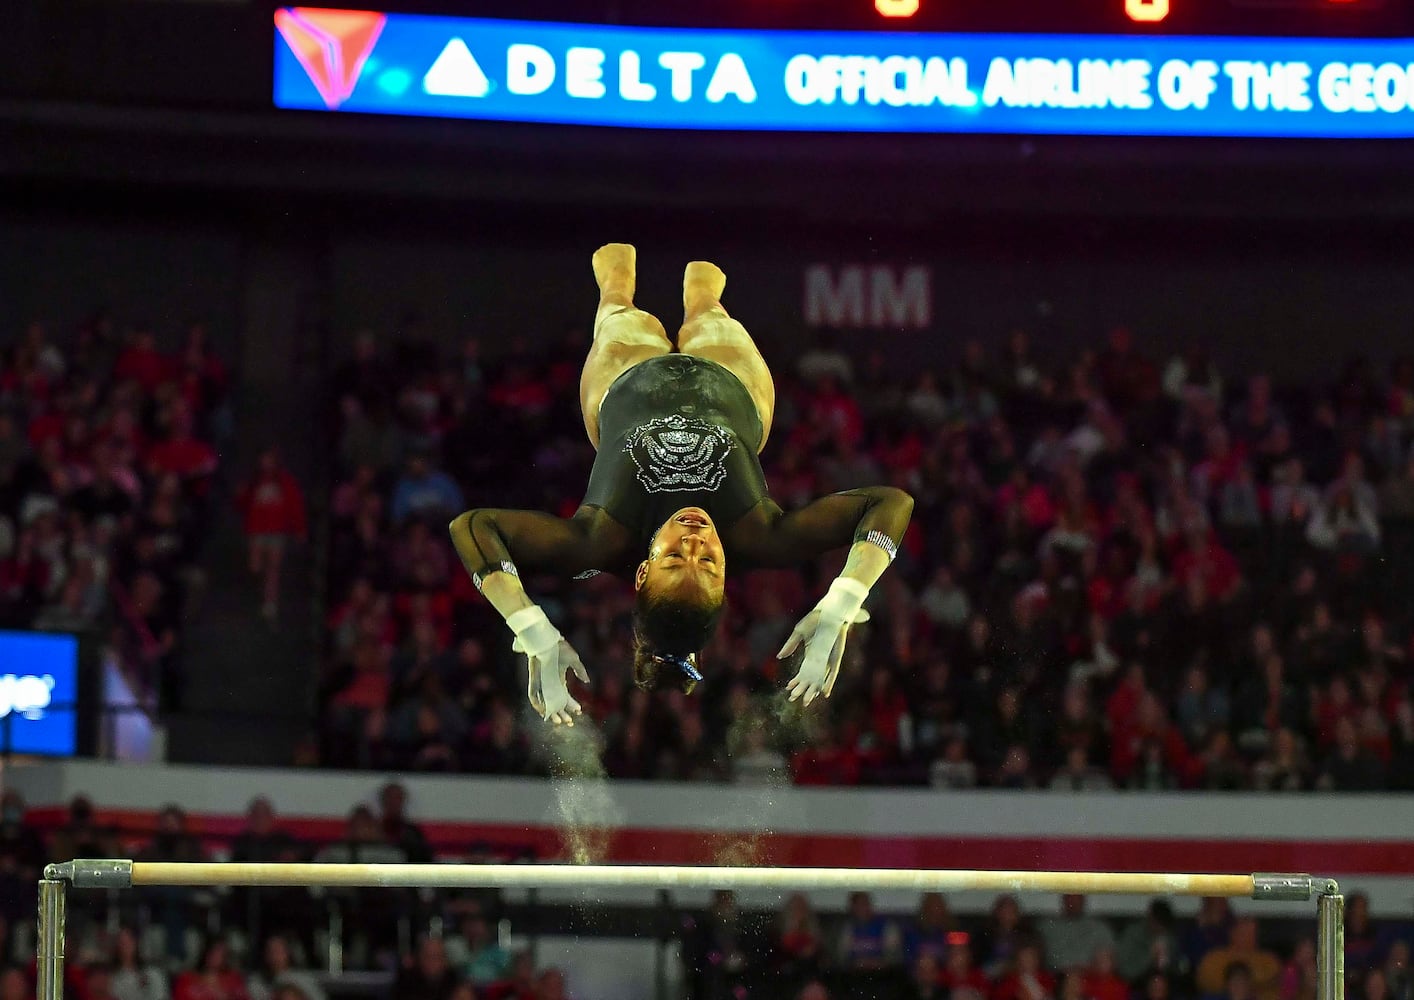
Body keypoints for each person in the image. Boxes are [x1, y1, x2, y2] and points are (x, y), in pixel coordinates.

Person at [449, 245, 913, 723]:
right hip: (731, 385)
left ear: (642, 573)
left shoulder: (599, 542)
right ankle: (709, 240)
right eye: (709, 562)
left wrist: (531, 627)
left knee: (617, 294)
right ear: (726, 577)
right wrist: (843, 601)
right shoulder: (761, 537)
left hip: (625, 381)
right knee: (705, 302)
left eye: (674, 556)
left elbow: (474, 525)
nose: (695, 540)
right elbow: (889, 502)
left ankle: (619, 250)